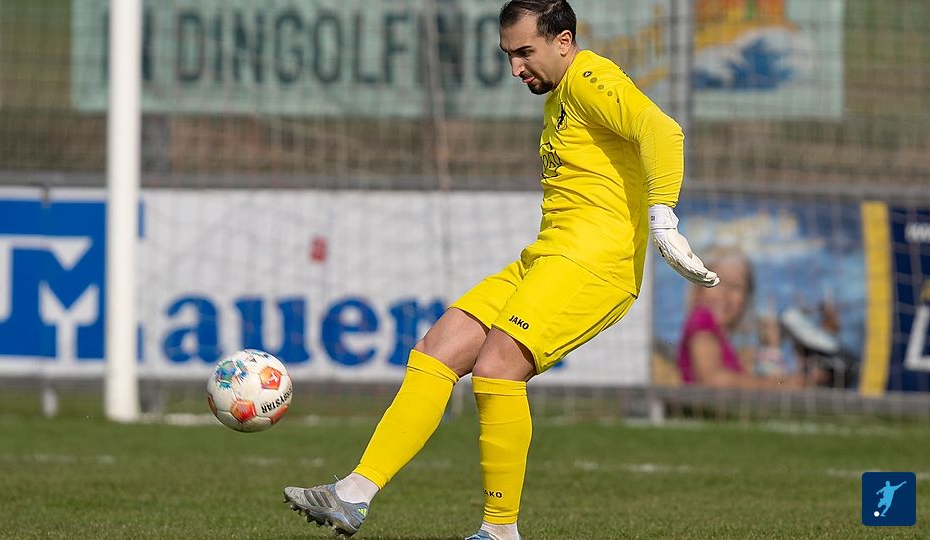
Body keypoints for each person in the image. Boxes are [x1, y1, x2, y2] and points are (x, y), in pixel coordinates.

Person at [283, 2, 718, 538]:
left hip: (592, 265)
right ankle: (353, 494)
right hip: (548, 257)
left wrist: (663, 218)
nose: (515, 68)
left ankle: (500, 531)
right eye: (509, 55)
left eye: (525, 52)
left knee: (497, 368)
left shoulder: (591, 78)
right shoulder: (561, 94)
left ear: (563, 41)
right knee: (438, 347)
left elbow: (663, 131)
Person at [677, 247, 805, 389]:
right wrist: (778, 386)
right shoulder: (702, 321)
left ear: (746, 297)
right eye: (716, 282)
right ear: (698, 286)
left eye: (735, 287)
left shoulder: (719, 335)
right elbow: (713, 379)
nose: (725, 294)